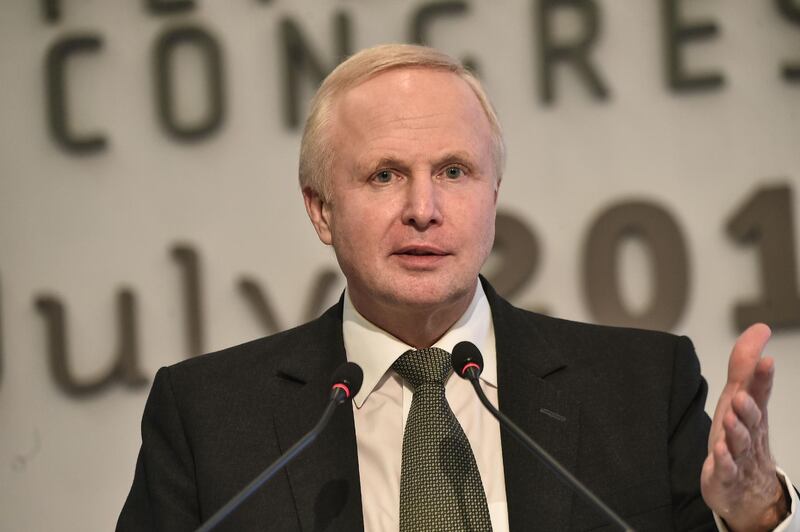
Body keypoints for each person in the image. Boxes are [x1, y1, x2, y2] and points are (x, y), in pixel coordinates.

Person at [118, 44, 797, 531]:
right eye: (384, 174)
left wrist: (753, 517)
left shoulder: (643, 388)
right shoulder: (206, 419)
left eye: (454, 171)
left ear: (493, 196)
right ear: (321, 209)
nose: (423, 208)